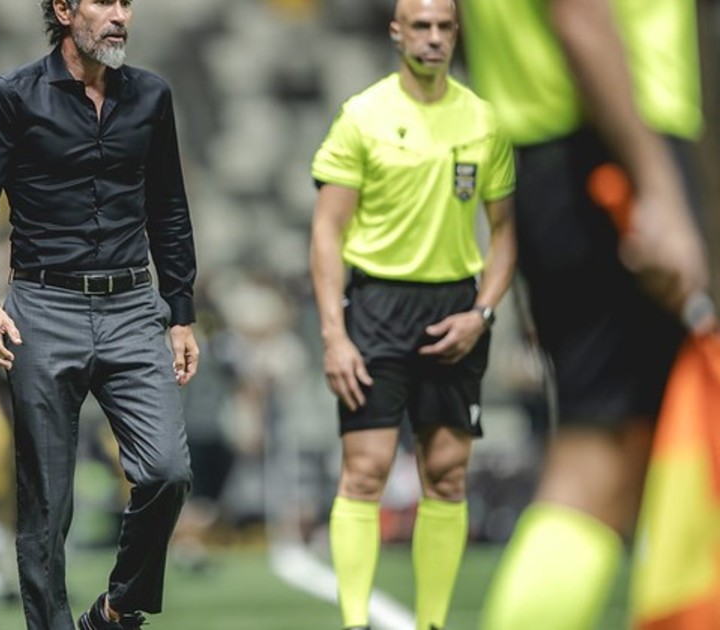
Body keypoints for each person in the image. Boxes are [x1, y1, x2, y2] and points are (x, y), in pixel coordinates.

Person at [457, 1, 716, 628]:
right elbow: (579, 14)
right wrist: (657, 186)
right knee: (600, 459)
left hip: (555, 146)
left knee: (622, 455)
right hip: (604, 142)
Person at [0, 0, 199, 627]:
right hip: (43, 306)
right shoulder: (11, 96)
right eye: (103, 1)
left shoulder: (152, 96)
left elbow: (169, 207)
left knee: (168, 472)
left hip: (132, 305)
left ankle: (116, 611)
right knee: (46, 506)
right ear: (63, 9)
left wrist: (180, 312)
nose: (119, 15)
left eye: (126, 2)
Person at [307, 1, 517, 628]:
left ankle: (431, 622)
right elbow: (326, 232)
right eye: (420, 26)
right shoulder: (362, 116)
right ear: (396, 32)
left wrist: (482, 313)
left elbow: (506, 233)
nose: (433, 37)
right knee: (365, 471)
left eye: (444, 26)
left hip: (456, 308)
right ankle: (353, 621)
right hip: (376, 306)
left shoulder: (484, 122)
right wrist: (334, 335)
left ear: (456, 34)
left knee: (447, 476)